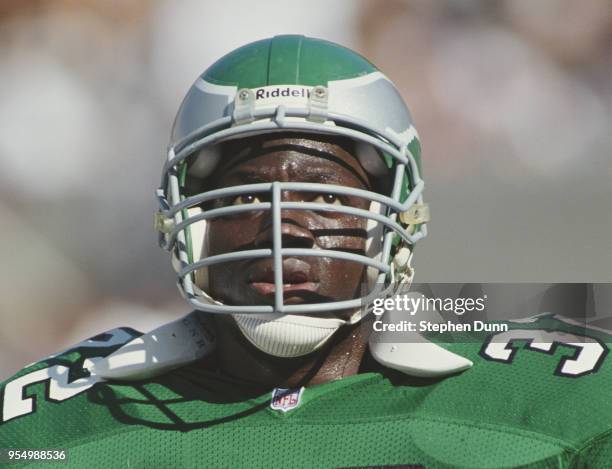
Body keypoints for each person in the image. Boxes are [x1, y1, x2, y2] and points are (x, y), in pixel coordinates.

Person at [1, 35, 611, 468]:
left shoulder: (560, 403)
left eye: (325, 197)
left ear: (393, 221)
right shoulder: (53, 426)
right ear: (190, 222)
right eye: (244, 200)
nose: (286, 227)